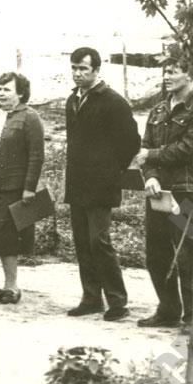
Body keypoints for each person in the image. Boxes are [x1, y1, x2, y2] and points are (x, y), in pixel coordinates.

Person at [135, 53, 193, 329]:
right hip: (158, 191)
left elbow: (190, 149)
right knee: (156, 254)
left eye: (173, 71)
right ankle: (168, 310)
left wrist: (152, 156)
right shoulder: (158, 110)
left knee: (187, 255)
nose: (166, 76)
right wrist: (150, 177)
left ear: (191, 76)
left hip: (185, 190)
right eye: (165, 71)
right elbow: (144, 148)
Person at [64, 46, 141, 321]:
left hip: (102, 184)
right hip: (77, 183)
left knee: (99, 241)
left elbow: (131, 142)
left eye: (83, 68)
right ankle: (91, 298)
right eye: (74, 68)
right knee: (82, 242)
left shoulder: (113, 102)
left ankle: (118, 302)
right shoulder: (72, 100)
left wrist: (110, 169)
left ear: (96, 70)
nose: (77, 73)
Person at [0, 72, 45, 304]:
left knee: (10, 234)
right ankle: (7, 285)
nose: (1, 94)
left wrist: (29, 188)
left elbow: (36, 156)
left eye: (7, 90)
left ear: (20, 93)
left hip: (14, 185)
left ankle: (12, 287)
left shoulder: (29, 117)